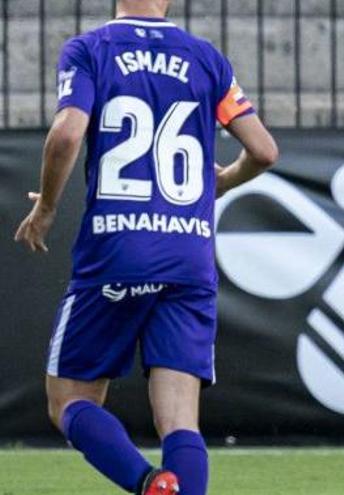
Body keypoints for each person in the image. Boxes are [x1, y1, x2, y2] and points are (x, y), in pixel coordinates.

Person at [13, 1, 277, 494]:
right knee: (179, 420)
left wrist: (47, 206)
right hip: (189, 256)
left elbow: (67, 133)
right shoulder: (205, 58)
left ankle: (148, 483)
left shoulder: (91, 49)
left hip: (117, 251)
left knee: (69, 402)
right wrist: (223, 181)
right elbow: (263, 150)